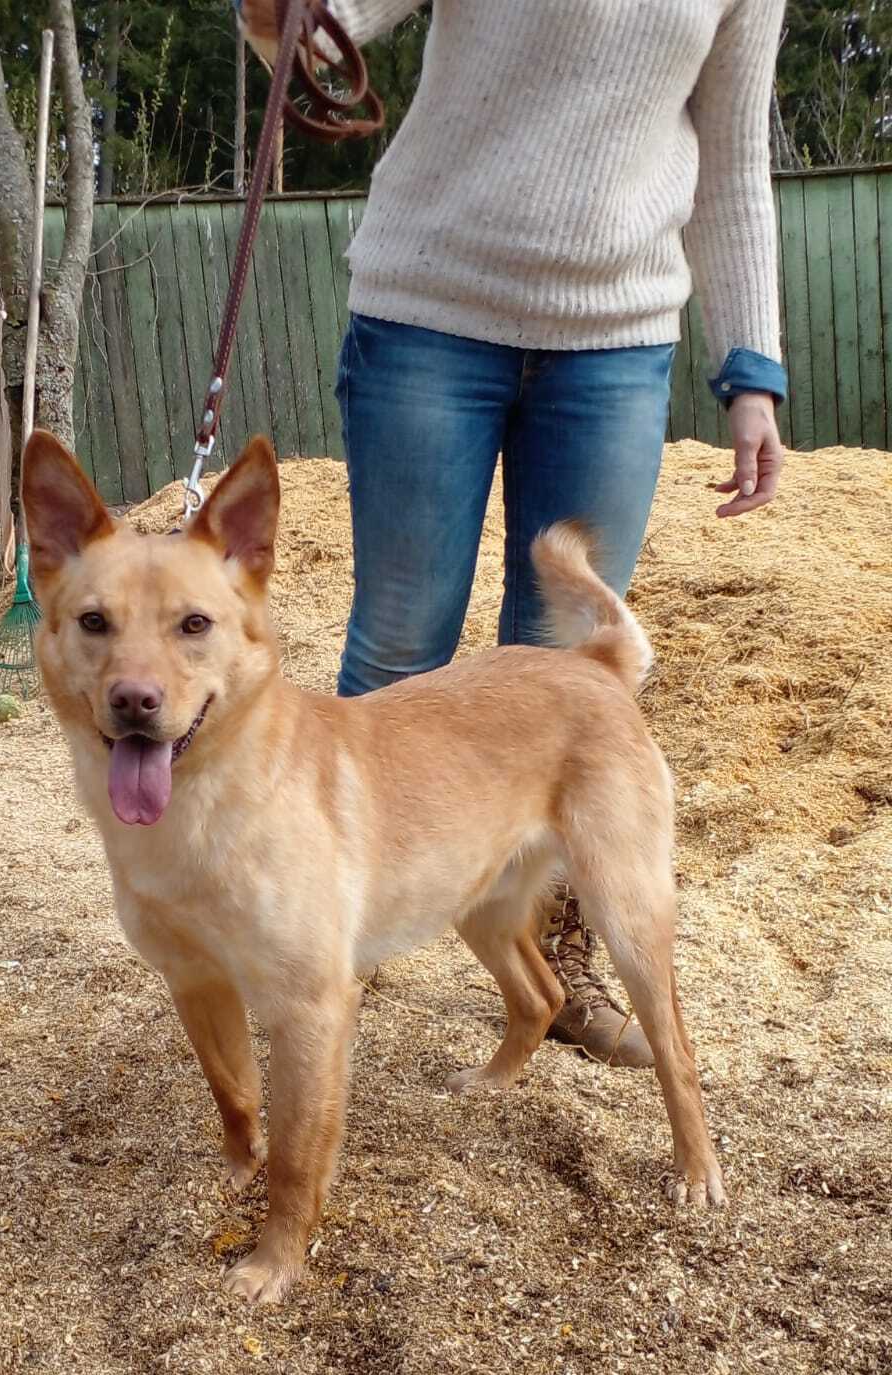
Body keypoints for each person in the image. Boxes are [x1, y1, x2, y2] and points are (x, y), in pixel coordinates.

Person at [238, 0, 788, 1068]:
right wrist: (284, 16)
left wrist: (751, 368)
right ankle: (333, 936)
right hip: (428, 312)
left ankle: (559, 966)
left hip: (616, 338)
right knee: (400, 643)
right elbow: (329, 22)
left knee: (572, 679)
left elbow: (731, 161)